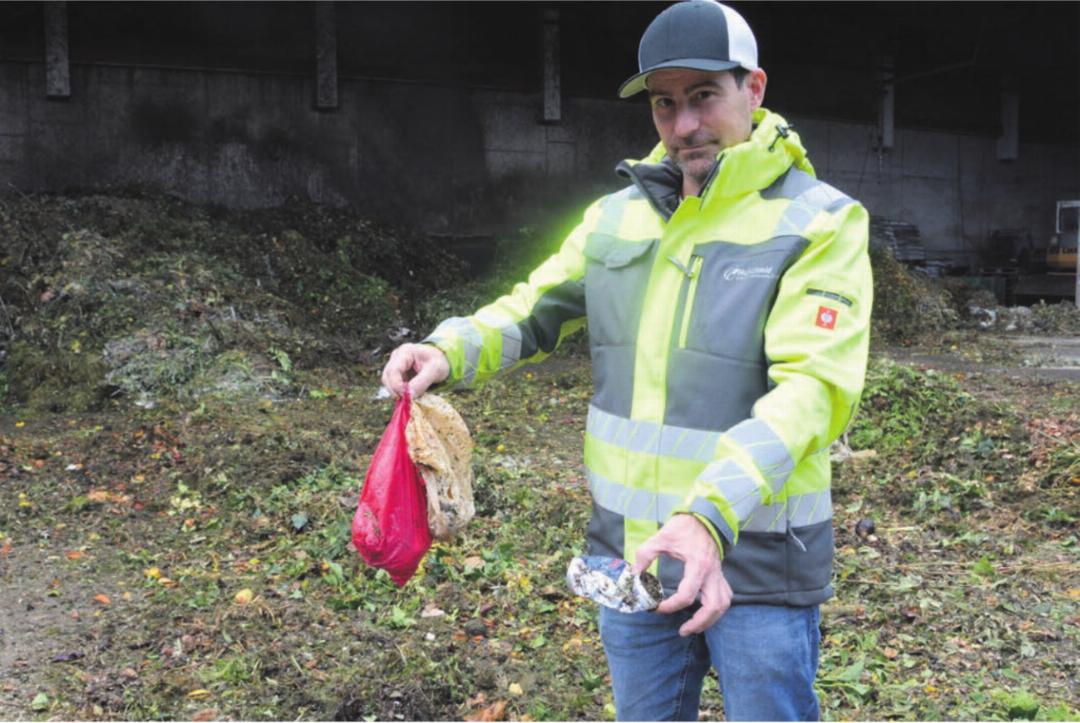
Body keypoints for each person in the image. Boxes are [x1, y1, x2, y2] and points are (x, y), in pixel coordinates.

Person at [381, 1, 872, 719]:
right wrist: (445, 349)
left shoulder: (818, 222)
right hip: (632, 560)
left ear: (754, 88)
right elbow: (532, 308)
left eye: (703, 96)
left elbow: (813, 391)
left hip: (759, 564)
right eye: (664, 104)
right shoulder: (616, 218)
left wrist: (707, 517)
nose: (684, 125)